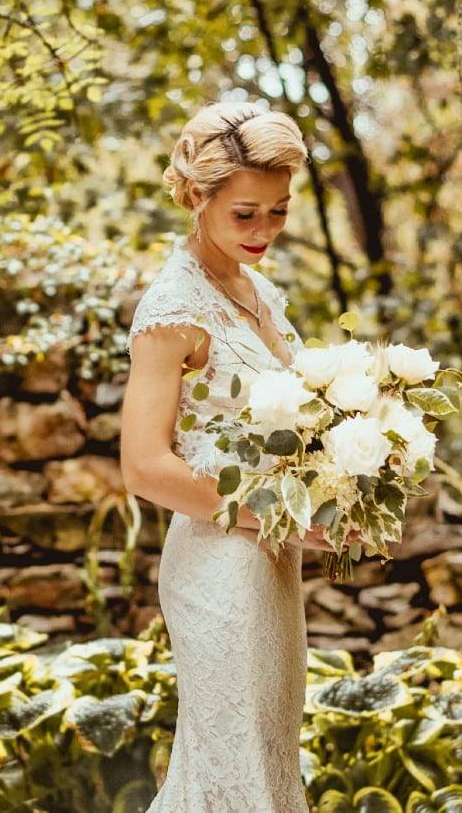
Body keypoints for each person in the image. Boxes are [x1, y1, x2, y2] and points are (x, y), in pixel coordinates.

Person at [119, 101, 332, 813]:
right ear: (197, 196)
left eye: (278, 211)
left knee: (265, 768)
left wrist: (335, 492)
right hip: (216, 565)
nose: (265, 230)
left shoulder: (257, 290)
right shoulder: (174, 309)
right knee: (230, 771)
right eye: (246, 213)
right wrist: (267, 514)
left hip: (270, 563)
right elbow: (144, 466)